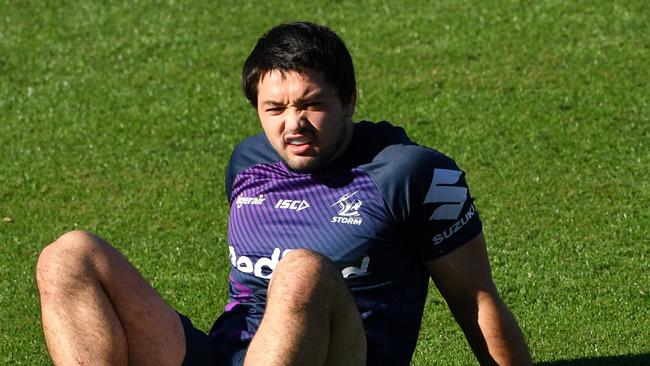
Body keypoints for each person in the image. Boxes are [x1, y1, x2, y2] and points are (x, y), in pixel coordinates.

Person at [36, 21, 531, 366]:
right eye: (274, 108)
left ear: (350, 99)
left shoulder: (412, 173)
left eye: (311, 104)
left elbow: (475, 300)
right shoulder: (247, 163)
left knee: (301, 270)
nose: (293, 125)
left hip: (341, 356)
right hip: (226, 354)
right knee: (67, 255)